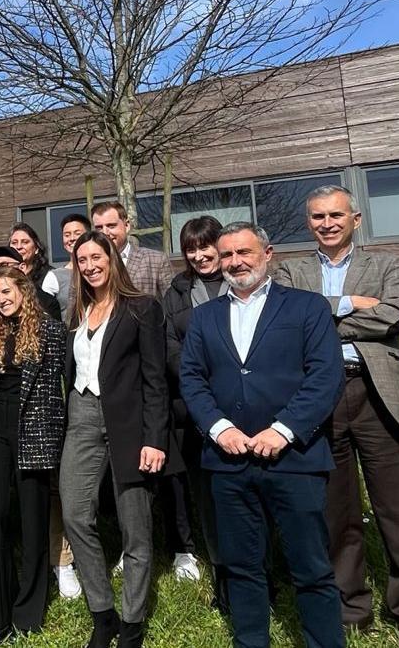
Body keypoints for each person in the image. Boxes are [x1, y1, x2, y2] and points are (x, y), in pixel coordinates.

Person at [273, 186, 399, 647]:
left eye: (335, 215)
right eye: (317, 217)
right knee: (335, 511)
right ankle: (350, 607)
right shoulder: (290, 269)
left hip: (378, 394)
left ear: (356, 219)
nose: (326, 223)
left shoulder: (389, 265)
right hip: (319, 398)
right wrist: (355, 303)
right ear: (308, 222)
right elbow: (288, 319)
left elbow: (397, 315)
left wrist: (324, 313)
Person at [180, 221, 345, 648]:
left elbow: (325, 377)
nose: (235, 262)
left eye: (244, 253)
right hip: (229, 461)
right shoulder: (204, 316)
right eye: (227, 255)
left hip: (295, 460)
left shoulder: (307, 308)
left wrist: (283, 430)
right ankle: (250, 641)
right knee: (241, 565)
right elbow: (192, 380)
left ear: (267, 254)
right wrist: (220, 429)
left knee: (311, 567)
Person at [62, 230, 178, 648]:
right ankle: (102, 613)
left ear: (113, 259)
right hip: (82, 418)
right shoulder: (77, 312)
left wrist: (155, 438)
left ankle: (132, 621)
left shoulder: (142, 308)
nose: (90, 265)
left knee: (135, 529)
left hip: (130, 425)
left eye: (97, 257)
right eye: (82, 260)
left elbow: (155, 379)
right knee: (76, 515)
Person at [0, 266, 66, 642]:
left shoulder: (50, 331)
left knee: (34, 522)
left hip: (34, 434)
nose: (1, 299)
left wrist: (58, 435)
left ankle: (28, 610)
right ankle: (0, 607)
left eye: (7, 291)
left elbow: (61, 385)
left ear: (24, 290)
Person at [161, 217, 227, 603]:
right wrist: (200, 384)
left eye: (206, 246)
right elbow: (171, 346)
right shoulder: (178, 291)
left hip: (240, 403)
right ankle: (187, 548)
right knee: (188, 484)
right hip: (190, 403)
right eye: (191, 248)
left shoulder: (239, 282)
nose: (200, 255)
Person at [91, 201, 174, 299]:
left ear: (127, 226)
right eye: (99, 228)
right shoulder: (89, 265)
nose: (105, 232)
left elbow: (173, 306)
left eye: (111, 226)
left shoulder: (156, 260)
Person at [52, 213, 91, 323]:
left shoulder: (100, 271)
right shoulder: (55, 277)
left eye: (77, 233)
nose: (72, 238)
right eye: (67, 235)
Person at [9, 223, 59, 296]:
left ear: (36, 248)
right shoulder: (5, 276)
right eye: (14, 243)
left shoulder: (49, 275)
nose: (19, 247)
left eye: (25, 242)